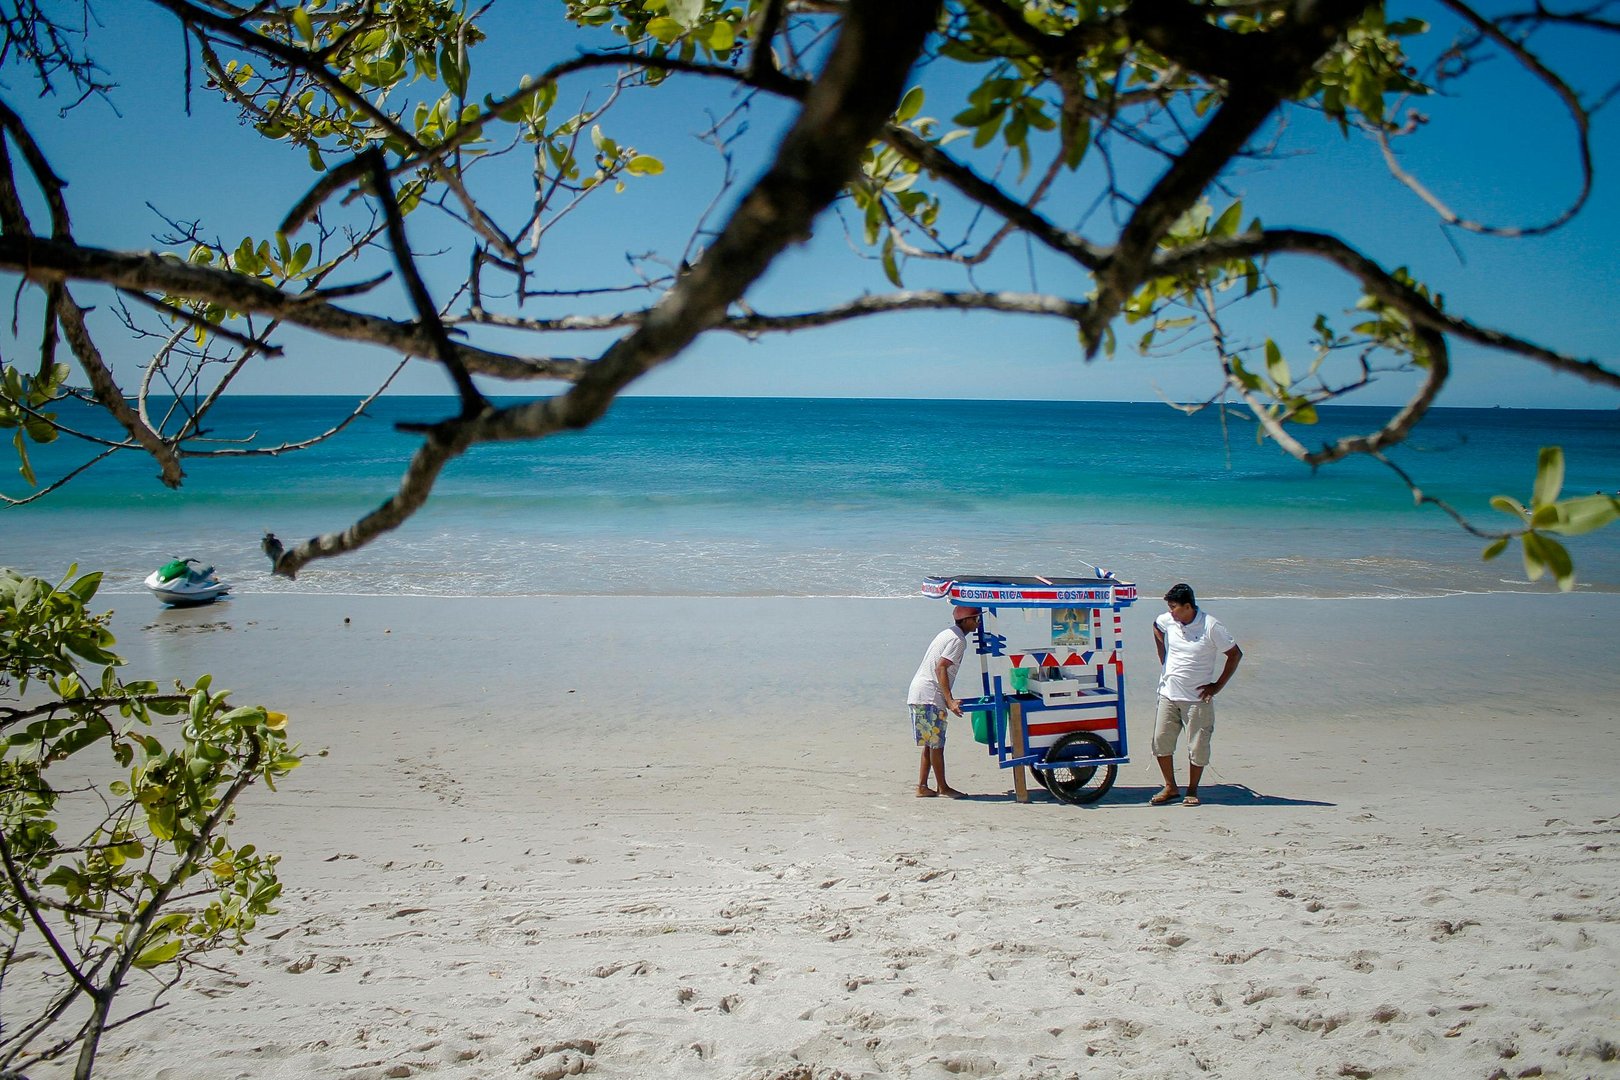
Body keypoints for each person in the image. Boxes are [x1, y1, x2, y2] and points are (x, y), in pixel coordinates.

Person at [1150, 583, 1242, 808]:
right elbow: (1156, 626)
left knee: (1198, 746)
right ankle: (1170, 787)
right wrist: (1163, 656)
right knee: (1160, 742)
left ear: (1188, 606)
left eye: (1174, 607)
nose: (1170, 612)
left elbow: (1235, 654)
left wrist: (1216, 686)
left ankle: (1192, 790)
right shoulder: (1169, 620)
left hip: (1197, 698)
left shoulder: (1211, 626)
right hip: (1168, 693)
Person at [906, 605, 980, 798]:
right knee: (937, 744)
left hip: (919, 693)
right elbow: (941, 668)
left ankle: (922, 786)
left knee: (930, 744)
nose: (977, 622)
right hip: (930, 695)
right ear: (965, 621)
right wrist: (950, 700)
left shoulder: (948, 633)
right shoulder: (958, 640)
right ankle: (943, 788)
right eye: (975, 619)